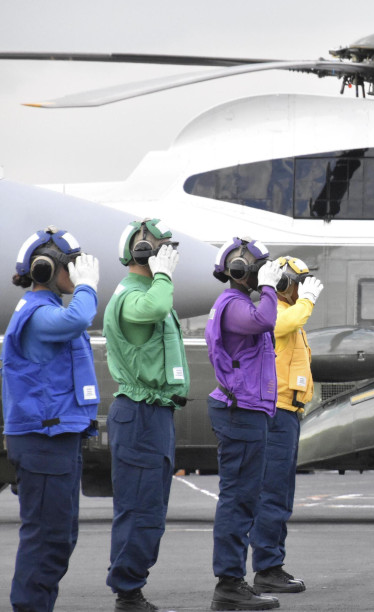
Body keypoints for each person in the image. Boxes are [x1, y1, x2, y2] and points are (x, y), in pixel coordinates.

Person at [2, 227, 100, 612]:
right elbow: (79, 319)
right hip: (44, 441)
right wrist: (87, 287)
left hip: (57, 437)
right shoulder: (40, 314)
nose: (76, 274)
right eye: (71, 267)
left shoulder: (47, 310)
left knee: (59, 537)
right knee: (46, 539)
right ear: (45, 269)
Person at [103, 219, 188, 611]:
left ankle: (131, 590)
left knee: (149, 506)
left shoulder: (147, 289)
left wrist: (161, 276)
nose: (169, 255)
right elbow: (157, 306)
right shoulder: (134, 295)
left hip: (153, 414)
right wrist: (164, 276)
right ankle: (128, 593)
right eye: (161, 248)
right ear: (141, 252)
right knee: (140, 508)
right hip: (139, 414)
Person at [205, 237, 284, 611]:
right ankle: (229, 584)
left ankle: (234, 580)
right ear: (241, 270)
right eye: (259, 268)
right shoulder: (234, 305)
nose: (264, 275)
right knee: (237, 498)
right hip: (240, 412)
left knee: (245, 497)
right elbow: (266, 318)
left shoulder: (239, 304)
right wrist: (268, 286)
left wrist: (267, 285)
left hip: (250, 410)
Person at [250, 257, 323, 594]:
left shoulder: (290, 313)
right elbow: (282, 324)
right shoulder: (273, 311)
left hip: (288, 414)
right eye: (297, 282)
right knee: (273, 494)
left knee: (281, 494)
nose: (302, 289)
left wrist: (303, 298)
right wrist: (307, 300)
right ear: (281, 283)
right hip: (275, 413)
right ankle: (267, 568)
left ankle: (272, 564)